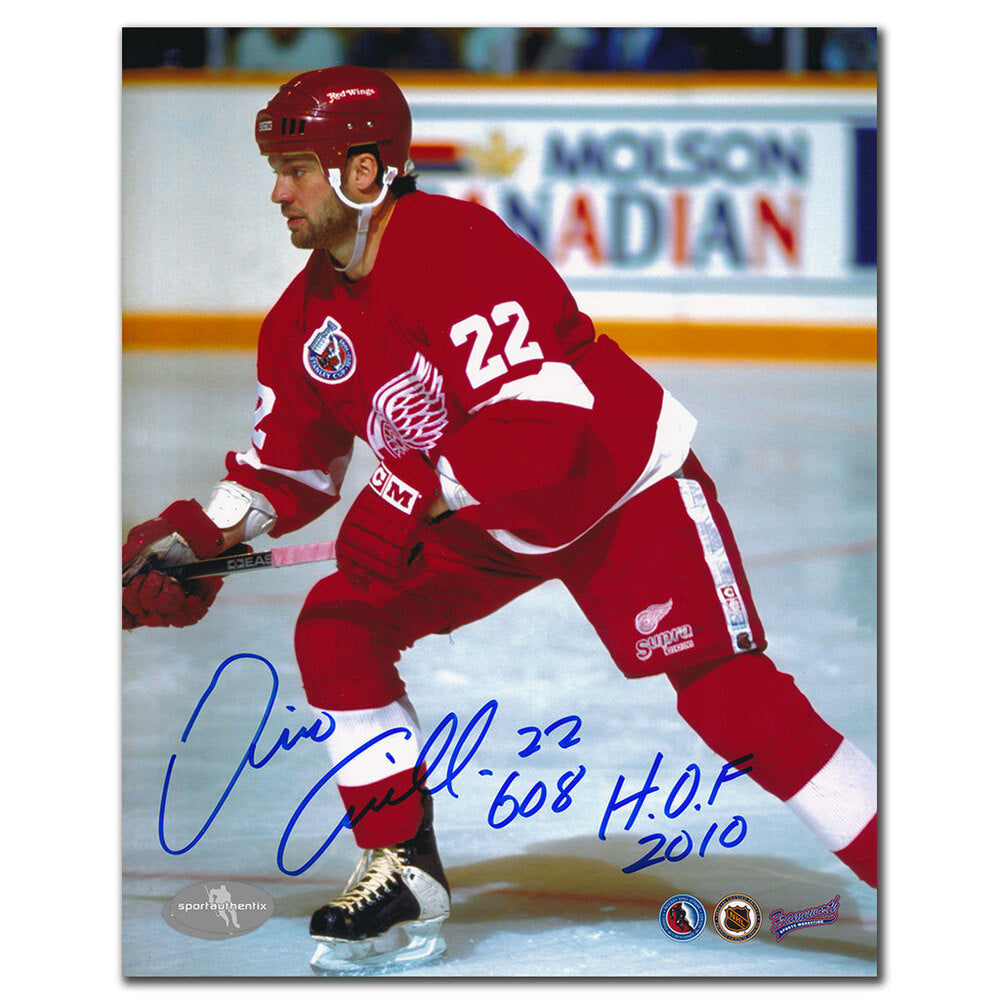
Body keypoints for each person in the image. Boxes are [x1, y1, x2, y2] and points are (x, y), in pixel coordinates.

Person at [121, 66, 877, 974]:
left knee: (731, 700)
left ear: (363, 171)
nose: (278, 193)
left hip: (614, 489)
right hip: (482, 510)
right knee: (338, 625)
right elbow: (288, 468)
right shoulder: (301, 323)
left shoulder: (454, 248)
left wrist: (409, 488)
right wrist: (200, 539)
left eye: (296, 170)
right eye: (277, 171)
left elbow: (547, 426)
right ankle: (401, 867)